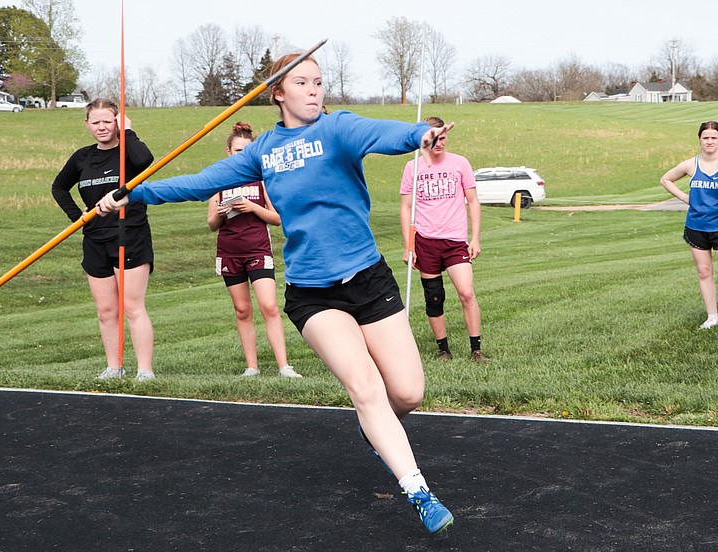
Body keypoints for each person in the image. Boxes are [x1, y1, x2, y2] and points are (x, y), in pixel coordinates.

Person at [97, 53, 454, 534]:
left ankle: (375, 426)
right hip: (312, 292)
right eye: (302, 83)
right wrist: (134, 192)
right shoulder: (262, 150)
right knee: (366, 388)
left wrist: (420, 136)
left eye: (319, 82)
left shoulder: (338, 129)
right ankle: (419, 493)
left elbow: (385, 134)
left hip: (369, 280)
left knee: (407, 393)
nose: (314, 90)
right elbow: (200, 183)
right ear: (279, 93)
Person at [51, 98, 157, 380]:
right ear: (87, 124)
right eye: (95, 122)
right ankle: (114, 367)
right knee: (106, 309)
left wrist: (128, 132)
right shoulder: (81, 157)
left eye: (108, 121)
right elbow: (59, 187)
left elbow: (146, 162)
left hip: (129, 234)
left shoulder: (128, 152)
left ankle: (145, 370)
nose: (101, 127)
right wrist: (78, 216)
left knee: (132, 306)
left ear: (117, 122)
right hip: (95, 238)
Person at [207, 122, 302, 379]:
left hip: (258, 249)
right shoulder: (219, 181)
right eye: (237, 150)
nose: (241, 154)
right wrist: (221, 212)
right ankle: (252, 366)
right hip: (229, 252)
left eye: (246, 150)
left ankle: (284, 366)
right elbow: (212, 224)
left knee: (269, 306)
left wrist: (252, 208)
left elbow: (277, 217)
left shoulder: (263, 179)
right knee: (242, 310)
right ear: (228, 152)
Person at [400, 116, 490, 362]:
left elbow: (472, 201)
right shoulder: (413, 167)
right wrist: (409, 245)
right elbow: (406, 208)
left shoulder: (460, 164)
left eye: (443, 138)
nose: (439, 143)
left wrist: (476, 238)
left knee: (466, 293)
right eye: (435, 139)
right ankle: (443, 349)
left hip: (455, 241)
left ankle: (476, 350)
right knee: (434, 297)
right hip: (426, 242)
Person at [660, 120, 718, 334]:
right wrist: (687, 198)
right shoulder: (691, 164)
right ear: (700, 140)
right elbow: (666, 179)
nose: (710, 141)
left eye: (714, 137)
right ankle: (712, 317)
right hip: (696, 225)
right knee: (704, 272)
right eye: (706, 137)